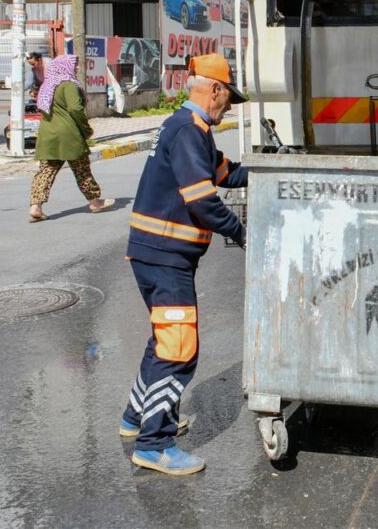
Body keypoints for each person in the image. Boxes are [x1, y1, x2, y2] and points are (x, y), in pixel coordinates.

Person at [120, 53, 248, 476]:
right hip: (165, 258)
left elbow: (223, 173)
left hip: (153, 254)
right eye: (228, 98)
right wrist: (242, 231)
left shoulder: (188, 127)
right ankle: (154, 443)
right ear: (214, 89)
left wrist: (267, 167)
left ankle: (136, 418)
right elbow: (202, 199)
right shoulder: (189, 131)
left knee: (163, 340)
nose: (228, 106)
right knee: (179, 351)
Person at [28, 54, 114, 222]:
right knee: (82, 170)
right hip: (68, 135)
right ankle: (95, 202)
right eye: (73, 66)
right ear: (64, 67)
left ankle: (35, 207)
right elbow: (75, 109)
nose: (76, 69)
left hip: (48, 135)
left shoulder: (48, 85)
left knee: (46, 171)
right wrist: (86, 128)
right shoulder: (68, 85)